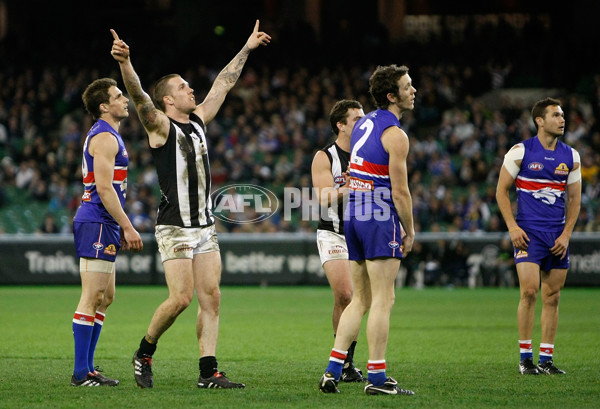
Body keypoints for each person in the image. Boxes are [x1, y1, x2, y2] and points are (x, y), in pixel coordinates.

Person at [110, 21, 270, 389]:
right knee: (181, 299)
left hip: (204, 225)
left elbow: (224, 83)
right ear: (168, 99)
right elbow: (138, 97)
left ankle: (208, 372)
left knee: (211, 296)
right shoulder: (161, 127)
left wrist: (246, 48)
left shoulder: (198, 121)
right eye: (183, 87)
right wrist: (126, 63)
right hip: (174, 224)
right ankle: (144, 351)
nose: (191, 89)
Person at [318, 64, 416, 396]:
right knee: (383, 300)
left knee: (359, 300)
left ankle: (332, 370)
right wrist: (410, 230)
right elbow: (400, 192)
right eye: (407, 86)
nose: (413, 90)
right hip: (378, 215)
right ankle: (376, 378)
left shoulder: (364, 125)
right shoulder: (395, 135)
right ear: (392, 96)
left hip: (355, 216)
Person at [496, 97, 581, 375]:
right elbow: (501, 191)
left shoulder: (571, 156)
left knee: (553, 296)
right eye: (556, 115)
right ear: (539, 121)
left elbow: (575, 201)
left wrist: (567, 235)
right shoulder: (520, 152)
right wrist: (512, 227)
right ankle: (525, 358)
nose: (562, 119)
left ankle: (546, 359)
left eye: (563, 115)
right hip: (528, 234)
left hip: (557, 235)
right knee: (530, 291)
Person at [71, 78, 144, 386]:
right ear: (104, 106)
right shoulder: (104, 138)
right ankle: (80, 373)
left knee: (106, 297)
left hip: (104, 222)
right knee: (93, 296)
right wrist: (127, 225)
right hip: (97, 221)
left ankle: (88, 367)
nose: (124, 99)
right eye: (118, 96)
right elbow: (103, 187)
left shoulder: (108, 135)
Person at [311, 100, 365, 383]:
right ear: (340, 125)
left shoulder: (369, 154)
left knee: (358, 300)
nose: (362, 122)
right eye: (356, 119)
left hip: (361, 231)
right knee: (346, 295)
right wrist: (350, 186)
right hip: (332, 232)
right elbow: (322, 197)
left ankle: (345, 362)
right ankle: (342, 361)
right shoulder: (325, 156)